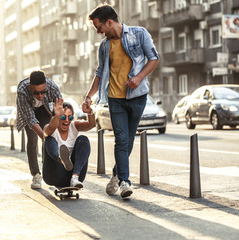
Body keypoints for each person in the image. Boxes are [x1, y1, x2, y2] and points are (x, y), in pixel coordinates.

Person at [83, 4, 159, 198]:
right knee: (121, 140)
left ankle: (116, 175)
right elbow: (100, 73)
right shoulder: (104, 46)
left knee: (129, 141)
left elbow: (154, 59)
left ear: (109, 22)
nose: (99, 32)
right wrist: (89, 96)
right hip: (115, 99)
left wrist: (138, 77)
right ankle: (125, 182)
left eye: (99, 27)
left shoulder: (139, 34)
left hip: (137, 96)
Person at [16, 70, 62, 189]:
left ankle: (48, 169)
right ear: (31, 87)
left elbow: (60, 112)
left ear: (46, 85)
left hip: (44, 110)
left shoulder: (53, 88)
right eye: (37, 93)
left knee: (49, 136)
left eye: (43, 92)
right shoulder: (22, 90)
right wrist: (44, 137)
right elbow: (30, 119)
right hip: (29, 110)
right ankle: (36, 174)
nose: (41, 96)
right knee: (32, 139)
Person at [42, 98, 95, 188]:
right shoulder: (50, 128)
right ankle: (61, 159)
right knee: (49, 139)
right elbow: (47, 132)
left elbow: (91, 125)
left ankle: (74, 177)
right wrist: (57, 116)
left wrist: (90, 112)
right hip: (54, 174)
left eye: (70, 117)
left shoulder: (74, 126)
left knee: (83, 139)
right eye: (63, 117)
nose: (67, 120)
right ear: (57, 117)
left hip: (73, 175)